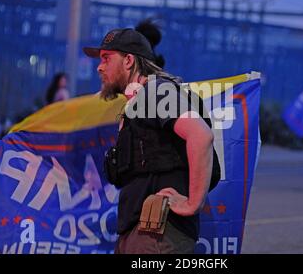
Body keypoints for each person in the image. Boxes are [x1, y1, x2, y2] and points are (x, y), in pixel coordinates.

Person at [83, 28, 219, 254]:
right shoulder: (140, 101)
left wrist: (192, 203)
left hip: (157, 233)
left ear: (128, 61)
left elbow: (201, 135)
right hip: (142, 231)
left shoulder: (155, 91)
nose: (99, 66)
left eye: (107, 58)